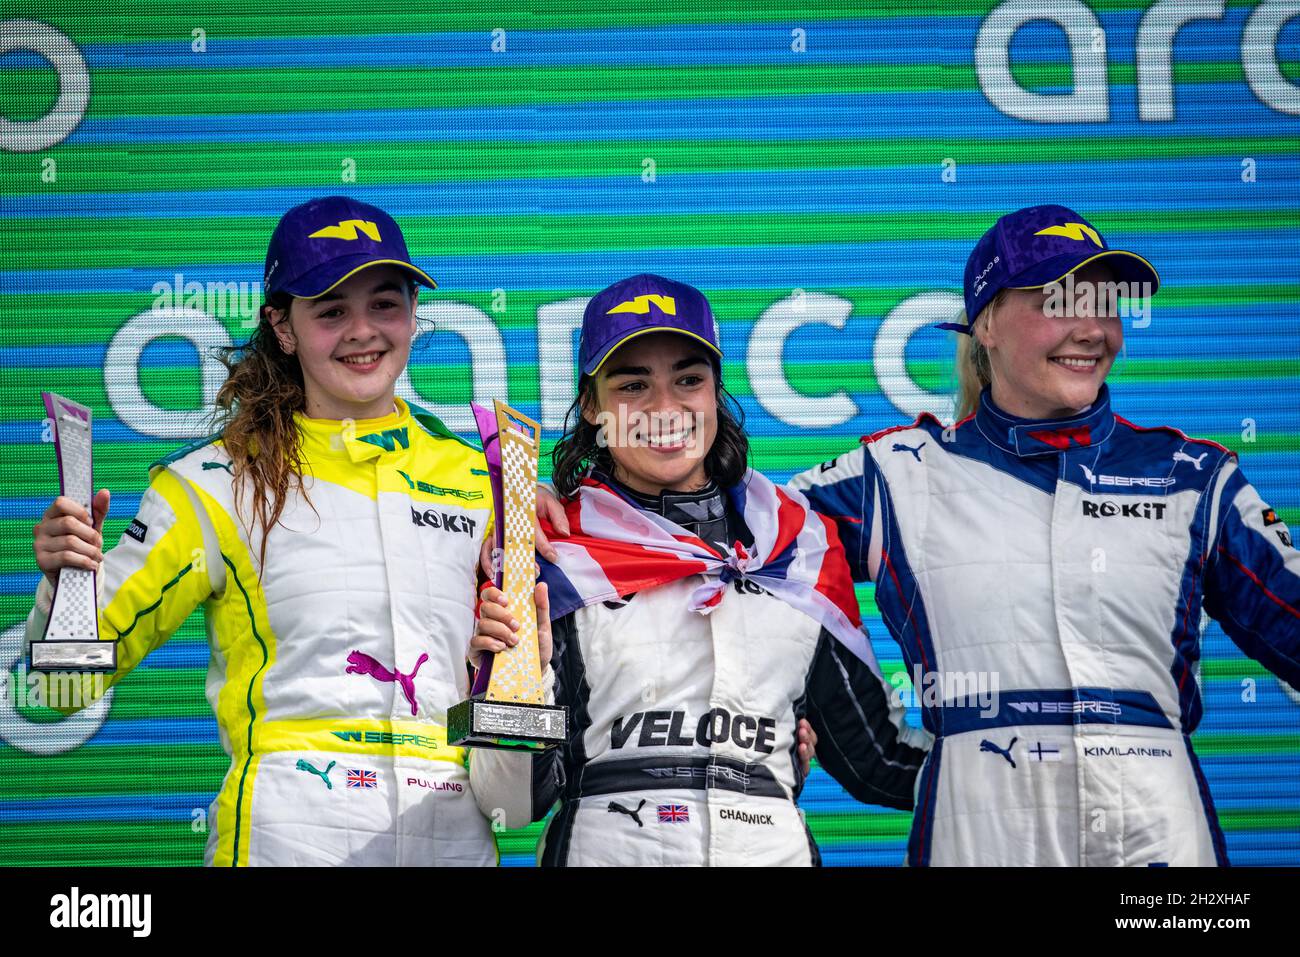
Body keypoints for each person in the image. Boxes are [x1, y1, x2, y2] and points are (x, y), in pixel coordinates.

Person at [784, 205, 1300, 865]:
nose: (1091, 327)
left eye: (1105, 302)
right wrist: (848, 734)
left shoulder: (1191, 478)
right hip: (978, 827)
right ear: (986, 322)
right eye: (1060, 299)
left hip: (1158, 831)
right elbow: (736, 552)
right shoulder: (898, 472)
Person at [27, 196, 499, 866]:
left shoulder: (483, 479)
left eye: (384, 303)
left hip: (453, 837)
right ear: (282, 324)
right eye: (331, 310)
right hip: (287, 838)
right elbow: (63, 683)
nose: (363, 330)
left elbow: (515, 699)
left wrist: (519, 746)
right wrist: (65, 586)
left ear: (414, 315)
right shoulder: (212, 483)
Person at [468, 274, 931, 866]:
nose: (665, 409)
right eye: (633, 384)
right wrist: (519, 693)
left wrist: (1030, 761)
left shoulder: (795, 546)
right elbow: (507, 803)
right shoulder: (548, 552)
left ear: (716, 391)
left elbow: (879, 764)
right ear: (590, 405)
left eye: (688, 379)